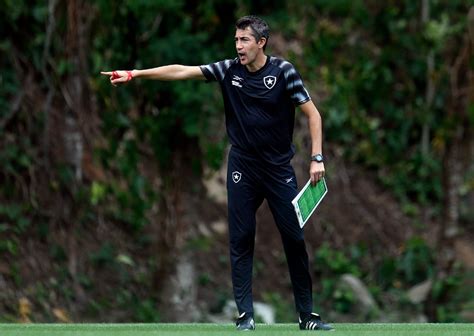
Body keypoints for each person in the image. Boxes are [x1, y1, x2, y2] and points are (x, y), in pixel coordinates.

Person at [102, 15, 333, 331]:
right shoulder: (228, 70)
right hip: (243, 168)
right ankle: (245, 316)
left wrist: (316, 158)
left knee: (294, 239)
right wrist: (136, 73)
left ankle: (307, 316)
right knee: (241, 238)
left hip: (279, 169)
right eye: (236, 40)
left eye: (244, 40)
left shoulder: (283, 72)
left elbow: (313, 114)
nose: (238, 46)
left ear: (260, 43)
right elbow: (183, 71)